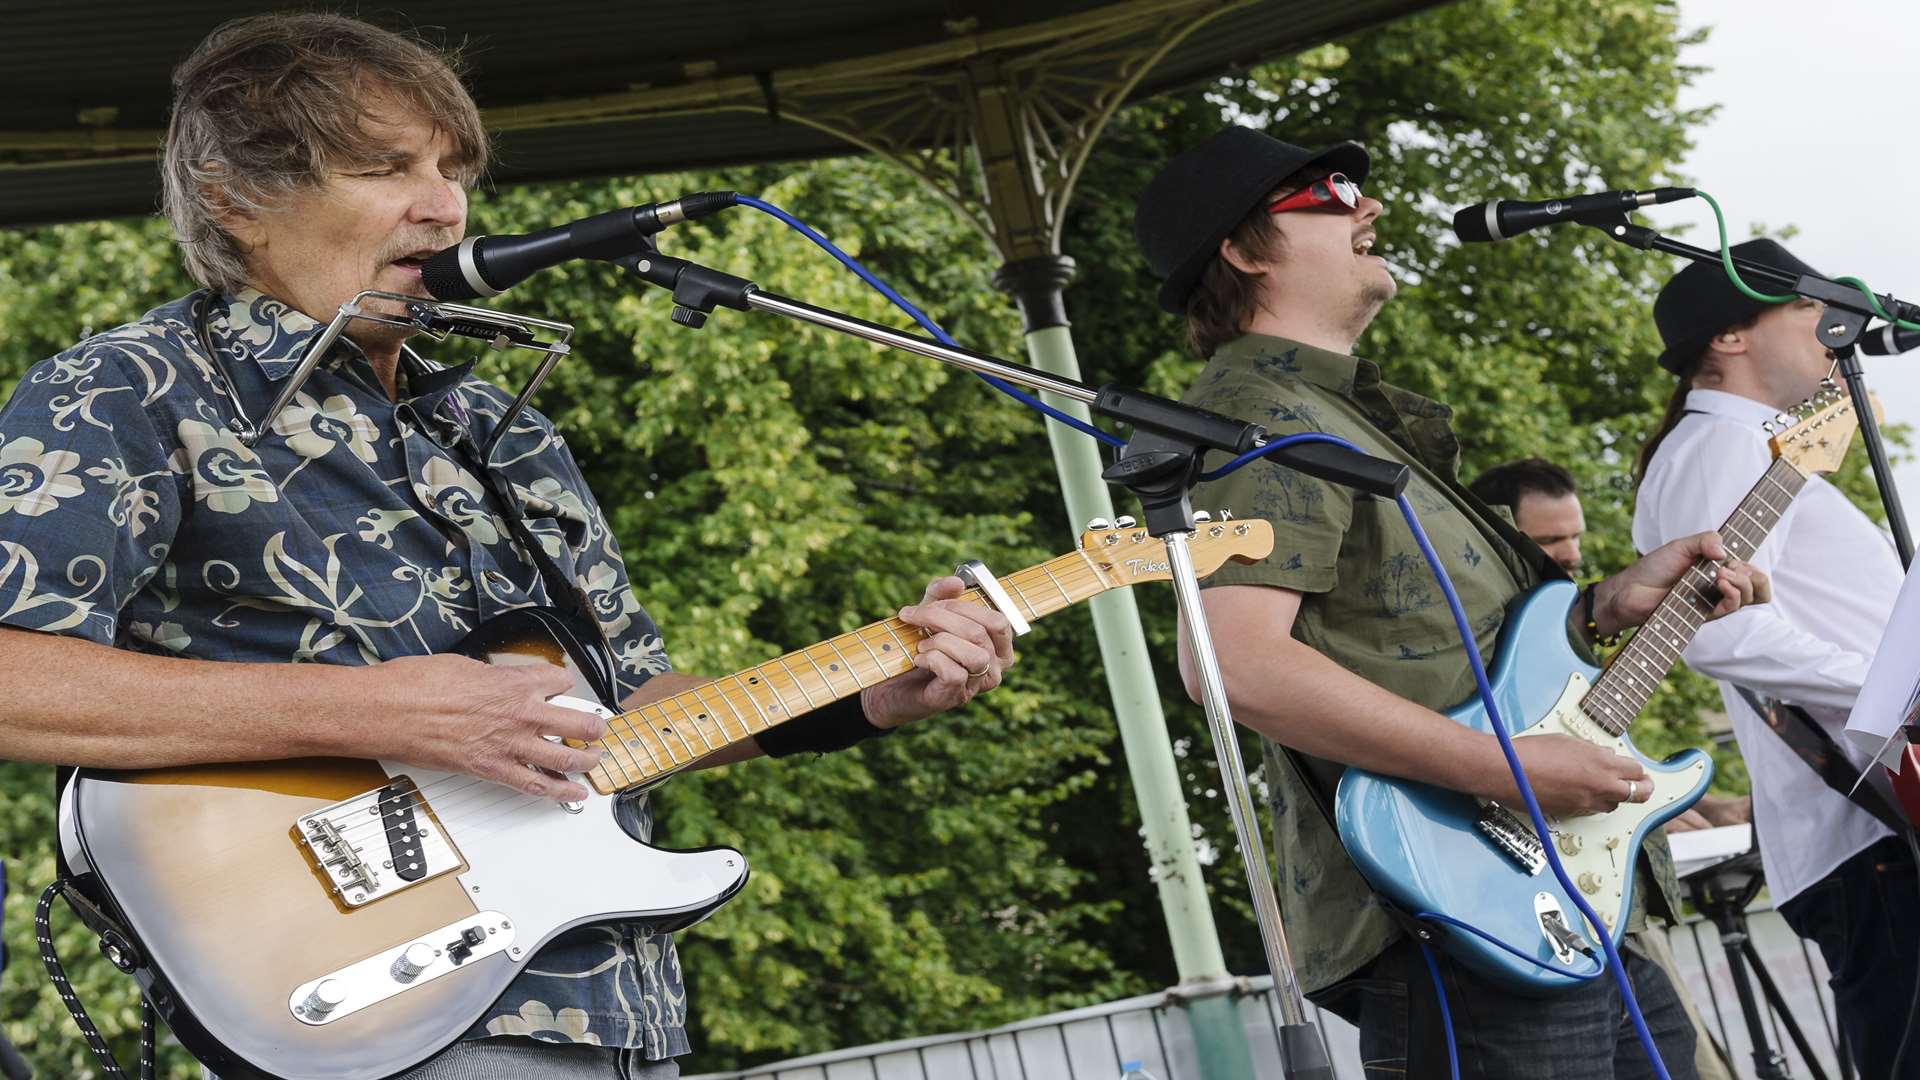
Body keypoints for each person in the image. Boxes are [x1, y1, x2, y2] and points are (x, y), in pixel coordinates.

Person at [0, 14, 1014, 1079]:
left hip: (614, 1009)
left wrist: (869, 692)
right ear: (235, 199)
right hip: (367, 1007)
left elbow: (622, 718)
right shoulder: (125, 389)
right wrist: (378, 712)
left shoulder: (500, 427)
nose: (443, 206)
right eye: (383, 167)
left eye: (453, 169)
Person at [1135, 126, 1769, 1079]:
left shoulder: (1331, 413)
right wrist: (1503, 769)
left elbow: (1440, 645)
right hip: (1455, 909)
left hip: (1551, 905)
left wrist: (1602, 604)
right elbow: (1232, 663)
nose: (1369, 206)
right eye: (1332, 193)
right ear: (1241, 248)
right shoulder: (1257, 415)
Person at [1632, 238, 1919, 1078]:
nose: (1829, 325)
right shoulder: (1717, 448)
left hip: (1871, 820)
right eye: (1806, 306)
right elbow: (1714, 631)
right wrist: (1895, 694)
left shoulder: (1748, 448)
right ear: (1730, 336)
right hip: (1864, 829)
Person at [1471, 458, 1745, 1080]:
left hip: (1616, 905)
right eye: (1548, 541)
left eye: (1575, 536)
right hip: (1518, 896)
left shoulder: (1569, 623)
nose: (1569, 553)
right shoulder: (1485, 634)